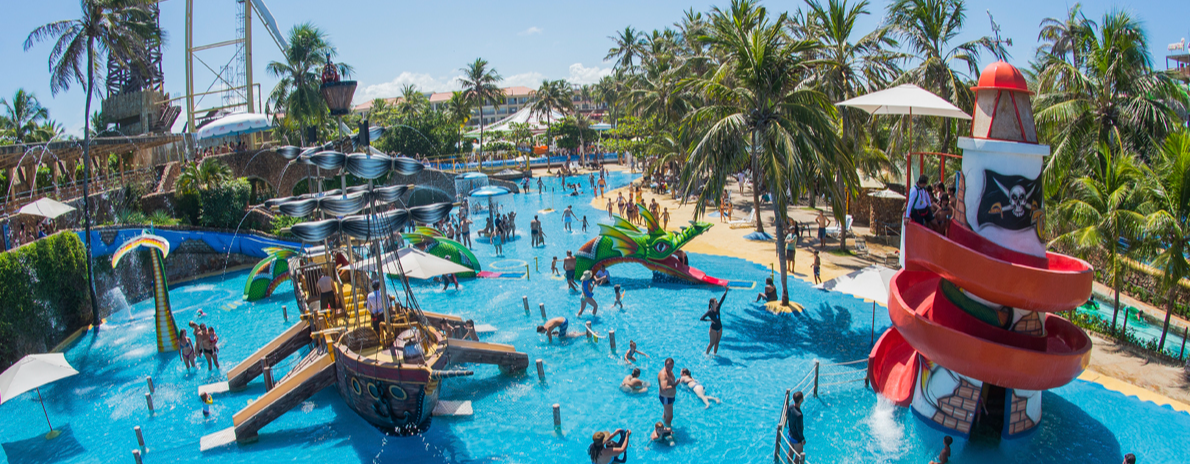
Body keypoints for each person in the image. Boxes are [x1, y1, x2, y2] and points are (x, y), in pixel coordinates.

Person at [701, 288, 728, 355]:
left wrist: (726, 291)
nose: (717, 303)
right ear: (712, 304)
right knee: (712, 343)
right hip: (713, 329)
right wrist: (709, 320)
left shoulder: (718, 308)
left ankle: (714, 354)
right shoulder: (710, 312)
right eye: (716, 302)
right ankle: (706, 354)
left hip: (720, 327)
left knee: (717, 342)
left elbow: (722, 300)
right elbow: (701, 318)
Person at [785, 391, 806, 464]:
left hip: (791, 434)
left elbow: (787, 417)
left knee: (790, 452)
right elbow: (799, 429)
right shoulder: (799, 415)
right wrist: (802, 439)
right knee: (798, 457)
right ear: (801, 400)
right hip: (796, 438)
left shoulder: (790, 407)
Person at [658, 358, 678, 427]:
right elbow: (664, 388)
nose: (670, 368)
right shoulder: (664, 375)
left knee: (666, 414)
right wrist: (675, 384)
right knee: (670, 416)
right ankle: (667, 431)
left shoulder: (669, 371)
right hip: (666, 397)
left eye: (671, 366)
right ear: (665, 364)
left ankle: (664, 423)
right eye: (668, 366)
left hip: (670, 397)